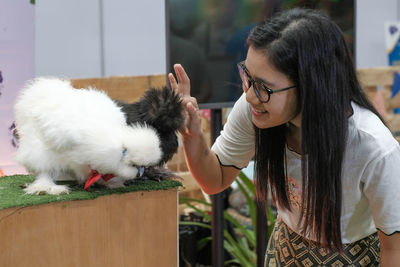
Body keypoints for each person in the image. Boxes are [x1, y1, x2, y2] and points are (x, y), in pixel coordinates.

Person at [169, 7, 400, 266]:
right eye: (248, 77)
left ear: (312, 85)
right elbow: (215, 180)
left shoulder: (374, 147)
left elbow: (394, 249)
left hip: (353, 254)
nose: (249, 95)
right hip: (287, 245)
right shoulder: (254, 110)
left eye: (265, 87)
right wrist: (192, 135)